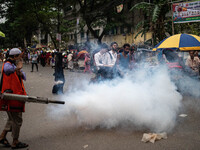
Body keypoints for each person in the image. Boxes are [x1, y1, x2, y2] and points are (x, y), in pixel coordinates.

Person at [0, 48, 28, 149]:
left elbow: (24, 76)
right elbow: (7, 70)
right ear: (15, 56)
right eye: (19, 56)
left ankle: (2, 136)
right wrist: (17, 68)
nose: (21, 58)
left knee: (11, 119)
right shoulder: (8, 64)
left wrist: (20, 72)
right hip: (12, 97)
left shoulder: (15, 65)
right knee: (17, 120)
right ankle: (15, 141)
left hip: (17, 96)